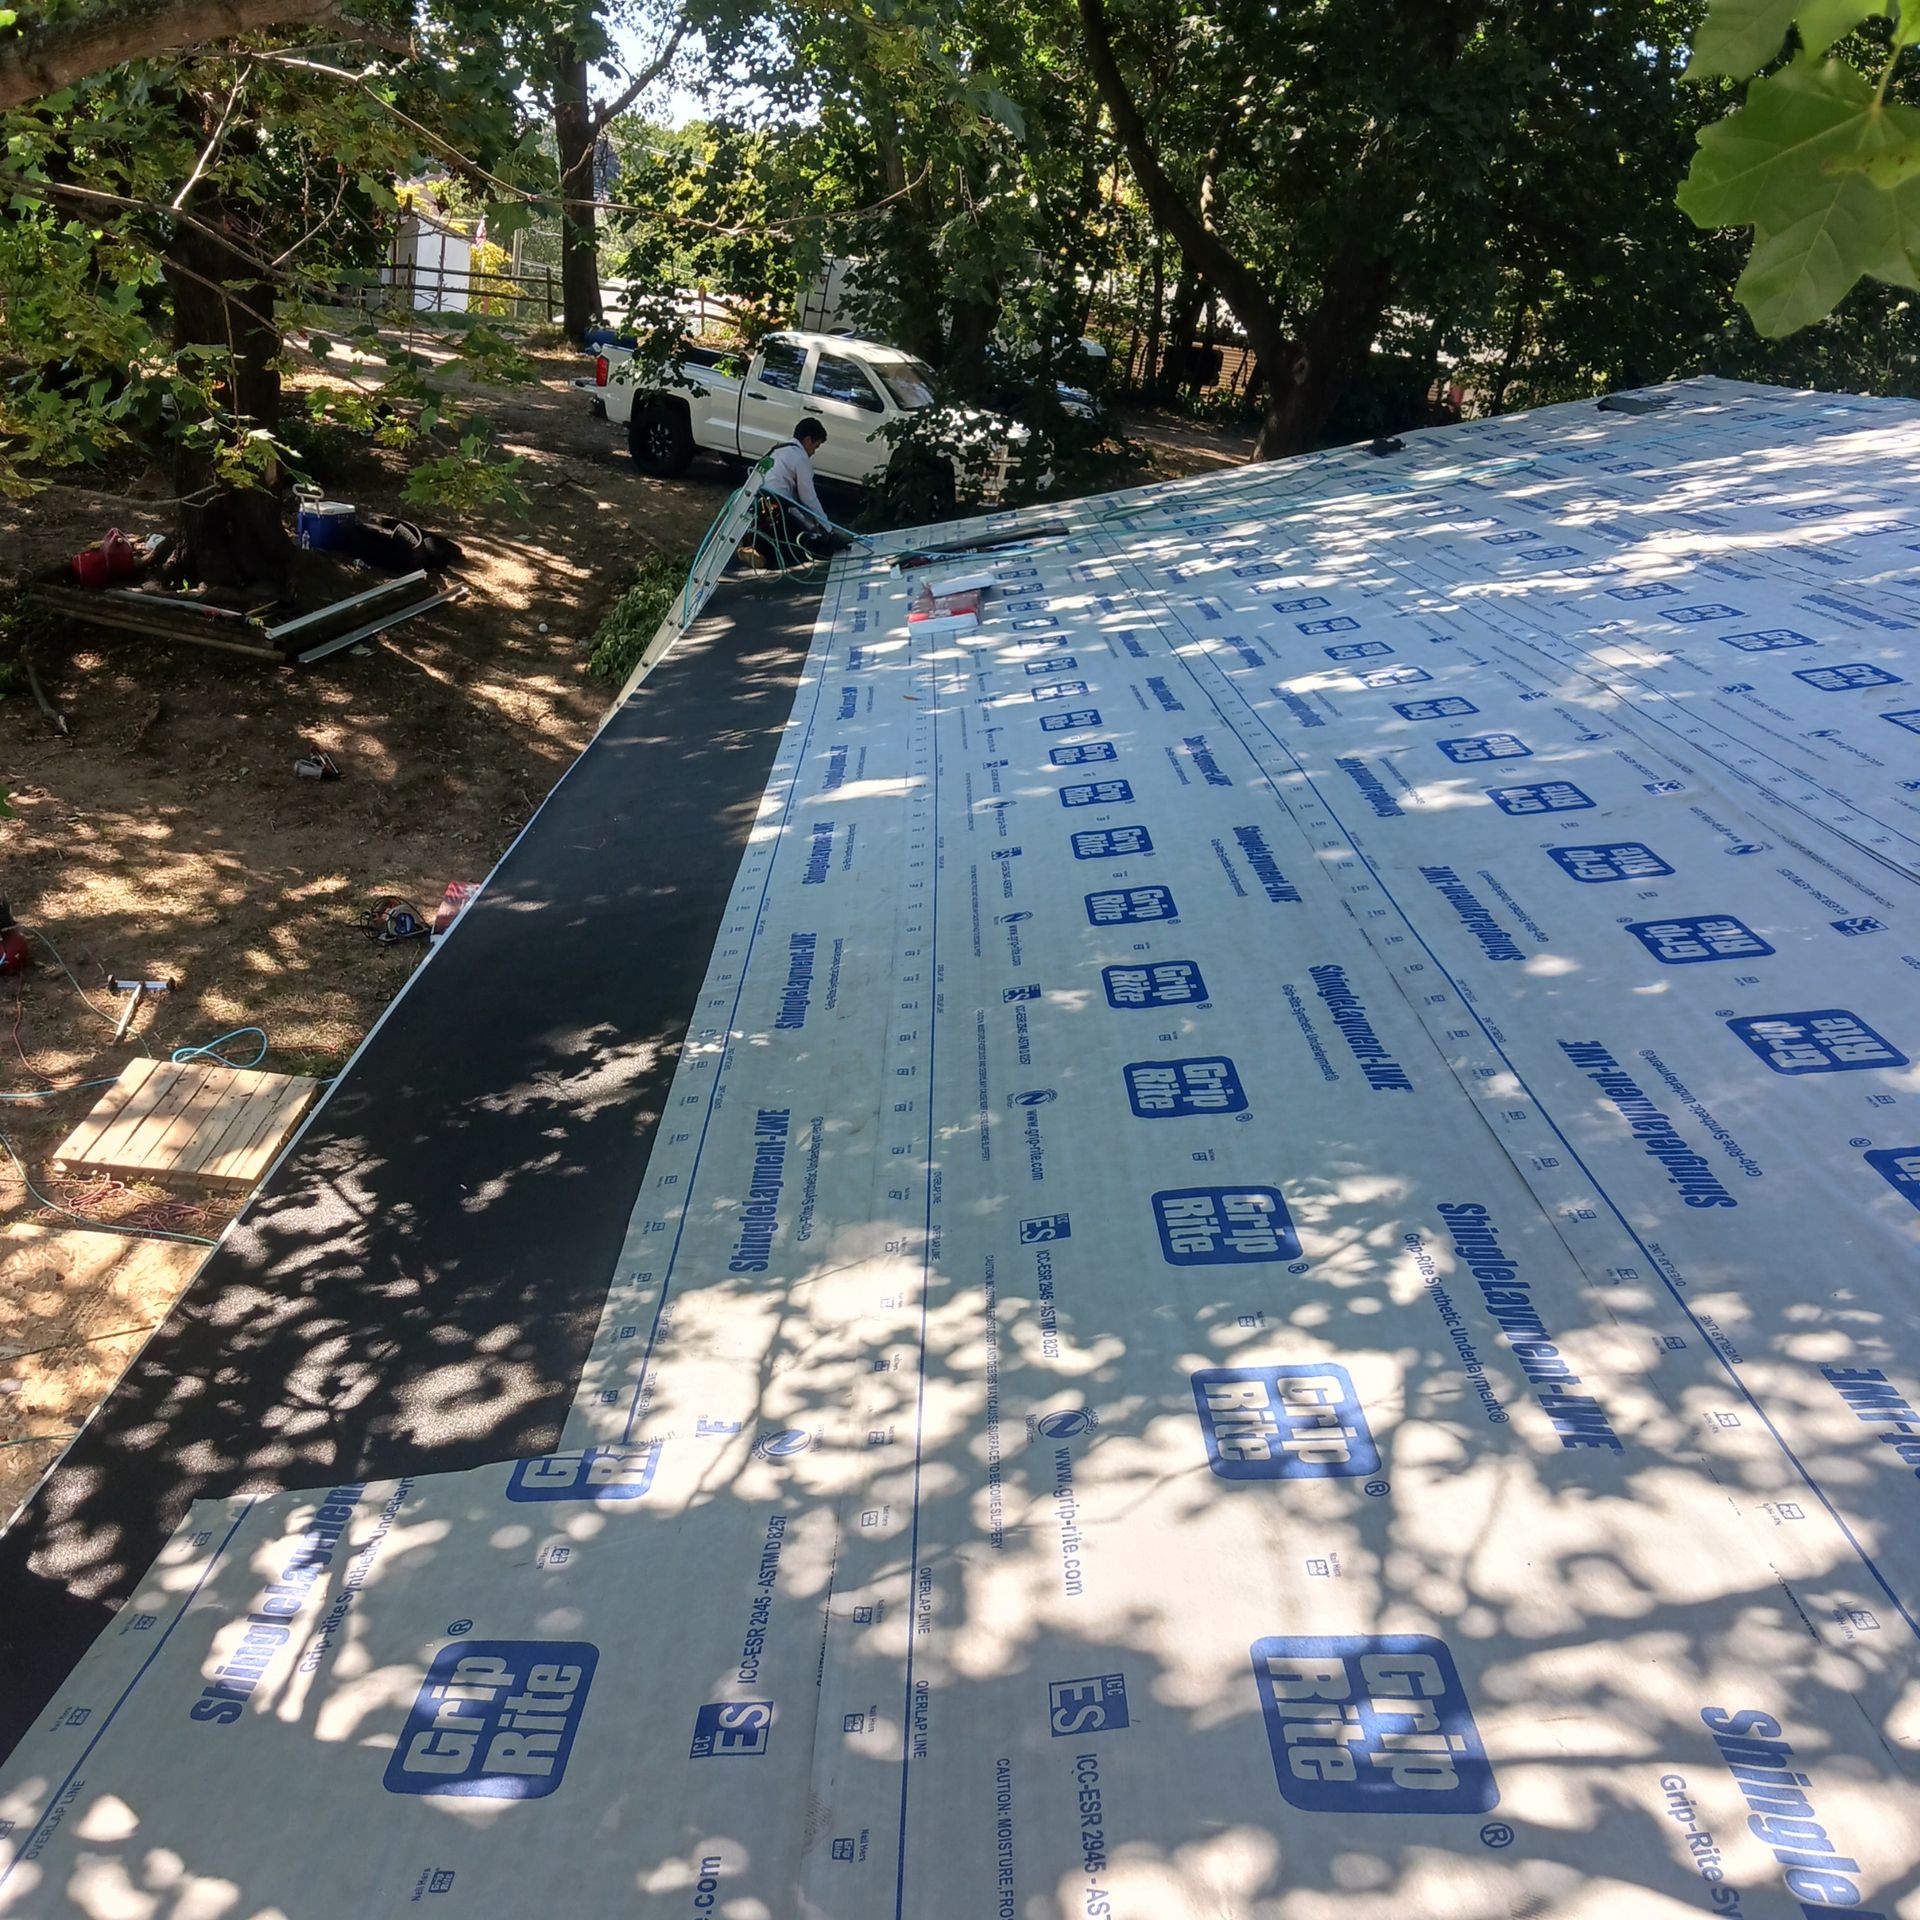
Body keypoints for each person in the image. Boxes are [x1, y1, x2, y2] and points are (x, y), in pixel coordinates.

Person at [759, 419, 851, 559]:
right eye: (815, 446)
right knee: (812, 544)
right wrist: (828, 528)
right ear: (808, 440)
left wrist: (811, 523)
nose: (813, 452)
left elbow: (795, 503)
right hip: (777, 508)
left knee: (805, 525)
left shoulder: (778, 449)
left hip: (760, 501)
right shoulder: (801, 458)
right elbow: (808, 498)